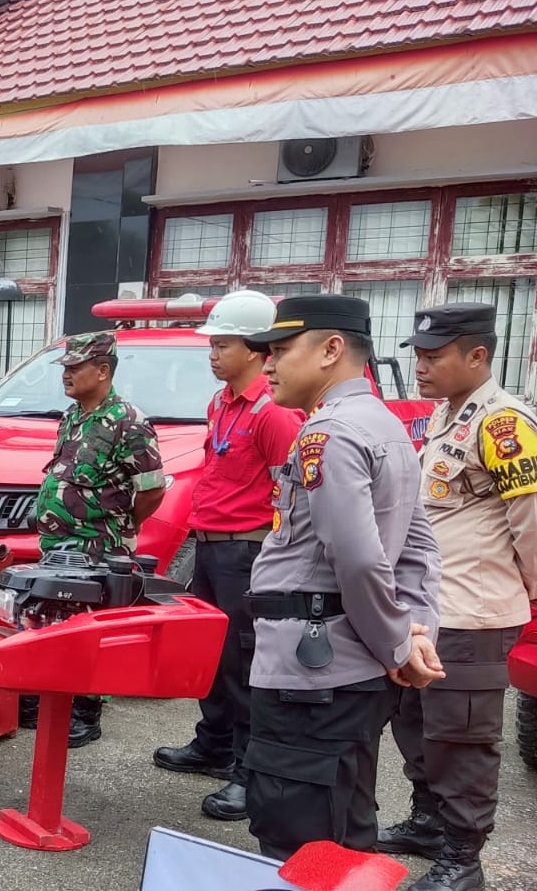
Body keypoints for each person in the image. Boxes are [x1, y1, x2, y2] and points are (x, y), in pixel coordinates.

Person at [241, 295, 444, 860]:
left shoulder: (326, 434)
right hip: (346, 670)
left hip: (312, 671)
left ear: (332, 349)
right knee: (343, 812)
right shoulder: (385, 425)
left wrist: (400, 643)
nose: (269, 365)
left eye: (281, 350)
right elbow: (419, 544)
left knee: (299, 832)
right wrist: (414, 630)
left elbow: (358, 559)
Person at [374, 304, 537, 891]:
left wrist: (526, 589)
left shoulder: (503, 425)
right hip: (430, 608)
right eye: (417, 354)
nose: (420, 366)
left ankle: (463, 858)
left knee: (462, 738)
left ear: (477, 356)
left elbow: (533, 524)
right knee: (416, 723)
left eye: (434, 355)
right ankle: (428, 823)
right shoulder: (449, 416)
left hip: (475, 611)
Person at [152, 291, 303, 821]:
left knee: (244, 664)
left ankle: (246, 769)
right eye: (211, 344)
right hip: (210, 547)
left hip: (248, 550)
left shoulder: (275, 414)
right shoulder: (222, 403)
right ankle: (213, 743)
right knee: (212, 655)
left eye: (222, 344)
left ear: (258, 348)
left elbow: (296, 493)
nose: (212, 354)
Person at [30, 330, 166, 746]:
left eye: (75, 368)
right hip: (59, 546)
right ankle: (54, 698)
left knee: (91, 627)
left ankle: (87, 712)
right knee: (55, 619)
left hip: (98, 545)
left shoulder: (129, 422)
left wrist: (119, 525)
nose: (67, 376)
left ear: (103, 370)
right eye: (65, 368)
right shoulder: (72, 416)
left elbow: (153, 489)